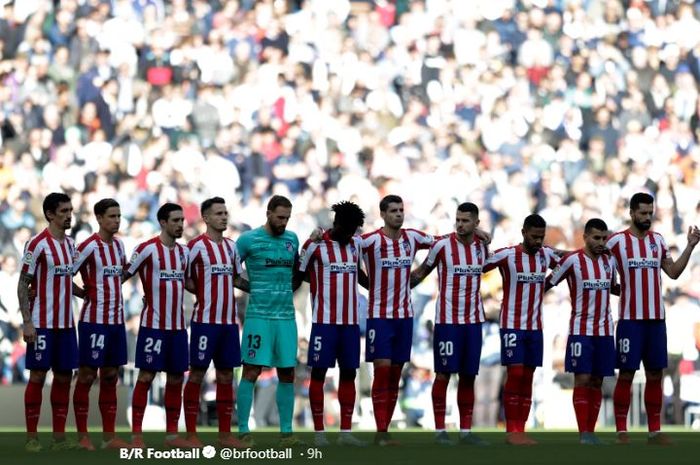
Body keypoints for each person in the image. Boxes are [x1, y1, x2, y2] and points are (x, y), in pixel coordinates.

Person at [608, 193, 700, 445]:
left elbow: (672, 272)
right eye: (643, 213)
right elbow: (598, 265)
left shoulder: (658, 241)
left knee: (655, 374)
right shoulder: (616, 241)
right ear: (632, 213)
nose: (647, 217)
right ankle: (620, 431)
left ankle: (654, 431)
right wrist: (616, 288)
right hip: (630, 320)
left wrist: (691, 246)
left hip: (656, 320)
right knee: (626, 374)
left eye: (650, 212)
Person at [410, 202, 489, 446]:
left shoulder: (482, 247)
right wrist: (397, 286)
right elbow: (421, 272)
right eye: (458, 219)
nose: (460, 224)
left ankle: (465, 431)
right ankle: (440, 430)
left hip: (474, 321)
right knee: (443, 374)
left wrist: (485, 237)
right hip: (447, 321)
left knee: (468, 377)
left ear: (476, 223)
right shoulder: (442, 246)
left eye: (466, 220)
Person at [360, 194, 434, 445]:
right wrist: (366, 282)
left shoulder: (412, 237)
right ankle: (381, 432)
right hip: (379, 317)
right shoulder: (369, 241)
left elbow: (443, 244)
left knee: (394, 375)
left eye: (401, 210)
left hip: (405, 317)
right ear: (382, 214)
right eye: (393, 211)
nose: (399, 214)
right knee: (381, 371)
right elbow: (344, 247)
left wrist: (421, 273)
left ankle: (385, 431)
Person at [482, 214, 560, 445]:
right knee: (515, 374)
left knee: (528, 376)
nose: (538, 241)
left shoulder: (546, 254)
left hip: (535, 326)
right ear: (523, 232)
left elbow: (566, 263)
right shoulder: (507, 255)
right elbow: (481, 265)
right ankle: (511, 430)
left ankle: (521, 430)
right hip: (512, 325)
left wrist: (548, 283)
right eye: (534, 236)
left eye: (541, 237)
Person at [235, 195, 305, 447]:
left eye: (287, 218)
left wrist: (289, 289)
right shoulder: (247, 240)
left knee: (287, 373)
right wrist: (251, 287)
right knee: (251, 371)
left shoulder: (291, 239)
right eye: (280, 217)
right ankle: (243, 428)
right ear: (268, 213)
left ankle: (286, 433)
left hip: (286, 317)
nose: (284, 222)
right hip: (258, 318)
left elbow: (298, 272)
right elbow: (231, 271)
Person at [122, 203, 192, 448]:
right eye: (175, 220)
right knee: (146, 377)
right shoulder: (146, 249)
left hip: (178, 328)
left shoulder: (185, 253)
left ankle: (172, 436)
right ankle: (137, 437)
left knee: (175, 379)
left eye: (182, 220)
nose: (180, 224)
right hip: (153, 326)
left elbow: (190, 284)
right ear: (163, 222)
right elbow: (123, 275)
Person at [299, 201, 368, 447]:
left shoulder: (356, 245)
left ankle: (346, 433)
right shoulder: (317, 246)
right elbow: (298, 275)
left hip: (350, 324)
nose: (350, 234)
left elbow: (359, 274)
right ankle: (319, 433)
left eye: (354, 231)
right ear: (336, 223)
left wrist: (375, 288)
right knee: (318, 374)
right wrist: (308, 243)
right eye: (347, 229)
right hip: (324, 323)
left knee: (349, 373)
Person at [183, 197, 250, 447]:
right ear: (206, 218)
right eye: (218, 213)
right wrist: (202, 293)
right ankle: (191, 434)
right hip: (204, 321)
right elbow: (183, 277)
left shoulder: (232, 247)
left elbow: (236, 279)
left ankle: (225, 436)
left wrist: (259, 288)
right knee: (197, 374)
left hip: (228, 324)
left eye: (225, 212)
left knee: (225, 376)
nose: (224, 216)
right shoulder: (195, 247)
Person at [545, 218, 618, 445]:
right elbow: (548, 283)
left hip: (605, 330)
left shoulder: (609, 261)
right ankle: (583, 433)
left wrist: (634, 287)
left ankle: (591, 432)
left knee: (597, 380)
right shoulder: (571, 261)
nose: (600, 242)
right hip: (580, 329)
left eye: (604, 238)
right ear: (585, 237)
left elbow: (613, 287)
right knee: (582, 378)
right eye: (596, 237)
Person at [18, 192, 80, 452]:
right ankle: (32, 438)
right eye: (64, 211)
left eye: (70, 210)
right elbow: (23, 284)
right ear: (50, 214)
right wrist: (27, 322)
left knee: (65, 378)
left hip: (67, 325)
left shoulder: (70, 244)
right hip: (43, 323)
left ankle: (59, 439)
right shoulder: (36, 244)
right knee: (38, 376)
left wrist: (85, 293)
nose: (69, 216)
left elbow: (67, 279)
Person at [71, 198, 131, 450]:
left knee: (110, 376)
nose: (116, 221)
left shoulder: (119, 246)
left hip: (116, 321)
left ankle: (109, 437)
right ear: (99, 218)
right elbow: (65, 276)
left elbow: (121, 275)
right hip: (93, 322)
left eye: (118, 216)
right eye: (111, 216)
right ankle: (83, 436)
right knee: (86, 376)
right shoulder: (87, 247)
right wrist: (83, 294)